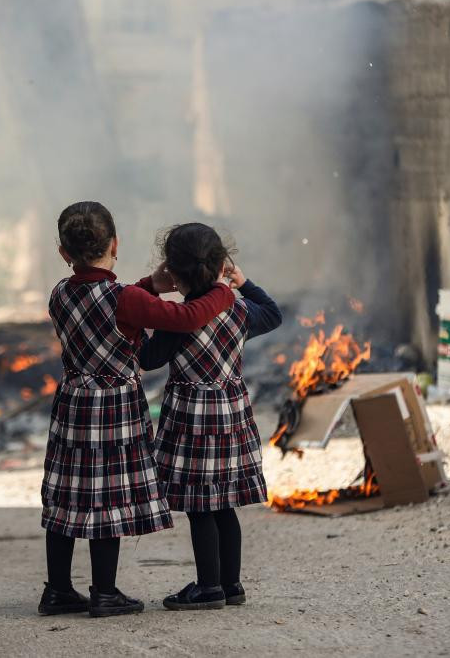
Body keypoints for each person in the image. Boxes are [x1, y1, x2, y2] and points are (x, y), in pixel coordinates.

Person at [39, 202, 235, 618]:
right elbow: (186, 317)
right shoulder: (126, 298)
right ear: (115, 244)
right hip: (114, 410)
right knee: (105, 497)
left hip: (73, 402)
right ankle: (105, 593)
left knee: (67, 496)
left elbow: (99, 302)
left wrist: (150, 284)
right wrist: (220, 289)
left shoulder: (59, 293)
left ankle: (57, 590)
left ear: (63, 253)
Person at [139, 223, 282, 610]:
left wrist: (139, 320)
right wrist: (243, 280)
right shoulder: (238, 310)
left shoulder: (179, 318)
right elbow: (273, 313)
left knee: (200, 506)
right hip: (231, 415)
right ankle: (231, 584)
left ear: (173, 271)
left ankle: (208, 587)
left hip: (192, 421)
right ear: (222, 263)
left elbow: (148, 359)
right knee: (224, 504)